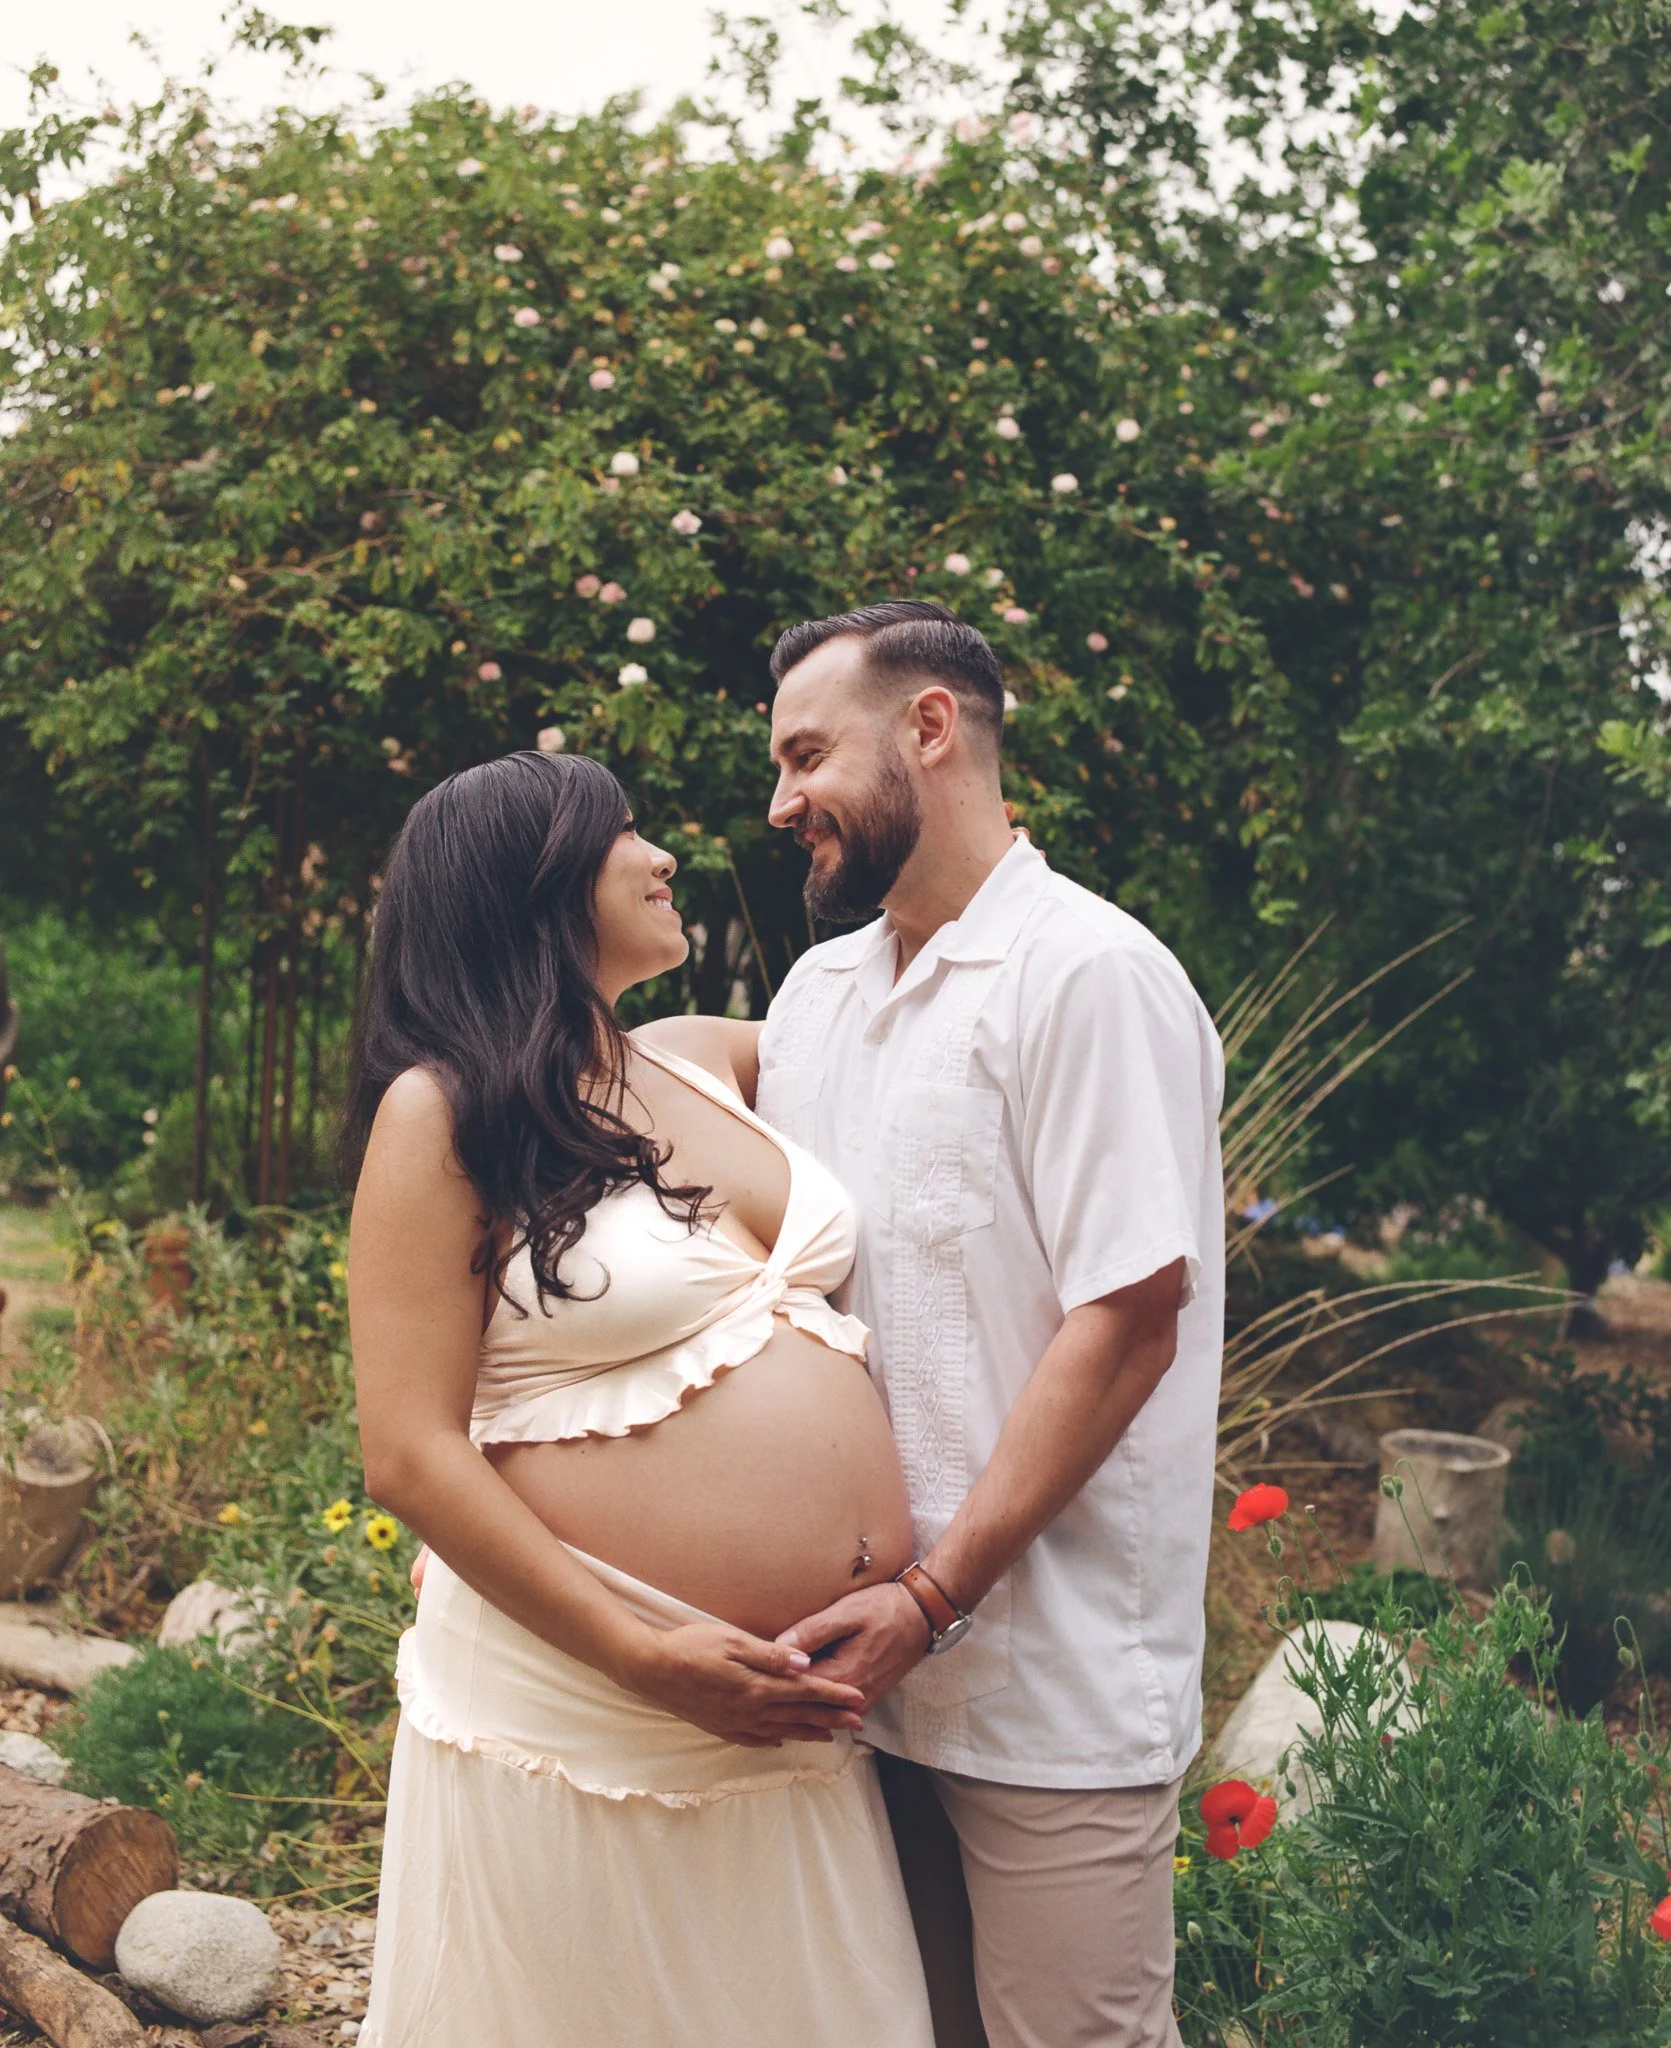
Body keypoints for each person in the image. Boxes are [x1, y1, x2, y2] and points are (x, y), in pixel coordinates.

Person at [346, 752, 933, 2048]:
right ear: (534, 883)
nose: (661, 855)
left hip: (798, 1708)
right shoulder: (443, 1113)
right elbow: (407, 1452)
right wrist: (644, 1657)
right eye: (620, 834)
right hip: (595, 1702)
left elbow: (926, 1033)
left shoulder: (693, 1055)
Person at [755, 601, 1225, 2048]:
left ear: (930, 728)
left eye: (806, 756)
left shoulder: (1090, 976)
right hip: (856, 1692)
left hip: (1049, 1692)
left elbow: (1127, 1323)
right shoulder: (817, 997)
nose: (781, 804)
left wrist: (930, 1600)